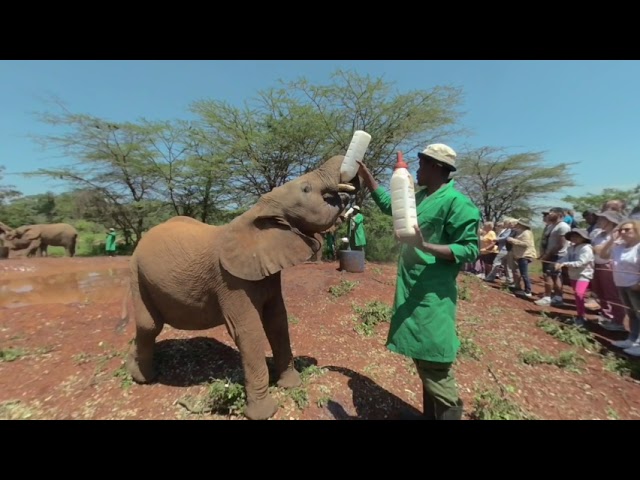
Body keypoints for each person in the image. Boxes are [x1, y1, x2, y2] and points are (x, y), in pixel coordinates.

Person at [355, 143, 481, 420]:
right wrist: (367, 176)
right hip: (412, 289)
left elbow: (469, 249)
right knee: (424, 360)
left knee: (434, 361)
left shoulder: (457, 203)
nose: (417, 169)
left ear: (436, 166)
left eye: (422, 164)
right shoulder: (421, 196)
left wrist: (424, 246)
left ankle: (450, 413)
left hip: (433, 294)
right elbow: (392, 206)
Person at [599, 219, 640, 356]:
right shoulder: (619, 246)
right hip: (622, 284)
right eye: (621, 229)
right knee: (632, 314)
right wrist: (611, 239)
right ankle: (632, 339)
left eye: (627, 229)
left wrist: (638, 284)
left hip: (635, 286)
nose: (623, 232)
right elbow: (603, 255)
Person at [590, 210, 626, 331]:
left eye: (602, 219)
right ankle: (606, 315)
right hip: (597, 265)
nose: (599, 221)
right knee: (600, 292)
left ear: (610, 222)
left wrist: (597, 248)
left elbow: (600, 250)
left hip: (608, 266)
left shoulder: (617, 236)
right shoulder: (599, 234)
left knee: (612, 294)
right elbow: (594, 248)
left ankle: (619, 320)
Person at [554, 228, 594, 327]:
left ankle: (582, 316)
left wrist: (564, 264)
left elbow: (581, 262)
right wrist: (559, 262)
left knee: (579, 294)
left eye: (577, 236)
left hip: (584, 274)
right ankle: (580, 315)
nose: (574, 238)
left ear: (583, 238)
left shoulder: (586, 248)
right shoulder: (571, 248)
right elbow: (565, 257)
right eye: (572, 236)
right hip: (573, 274)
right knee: (576, 295)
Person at [535, 207, 571, 306]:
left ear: (559, 214)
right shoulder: (552, 226)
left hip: (556, 255)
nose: (549, 214)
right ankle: (556, 297)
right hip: (549, 254)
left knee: (551, 275)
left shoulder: (563, 226)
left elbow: (561, 244)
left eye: (552, 213)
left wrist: (548, 254)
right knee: (551, 276)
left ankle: (549, 297)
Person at [506, 218, 537, 298]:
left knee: (524, 274)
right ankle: (520, 287)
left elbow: (526, 244)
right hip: (520, 255)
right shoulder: (522, 232)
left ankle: (528, 291)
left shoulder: (526, 233)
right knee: (522, 273)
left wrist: (513, 240)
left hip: (525, 255)